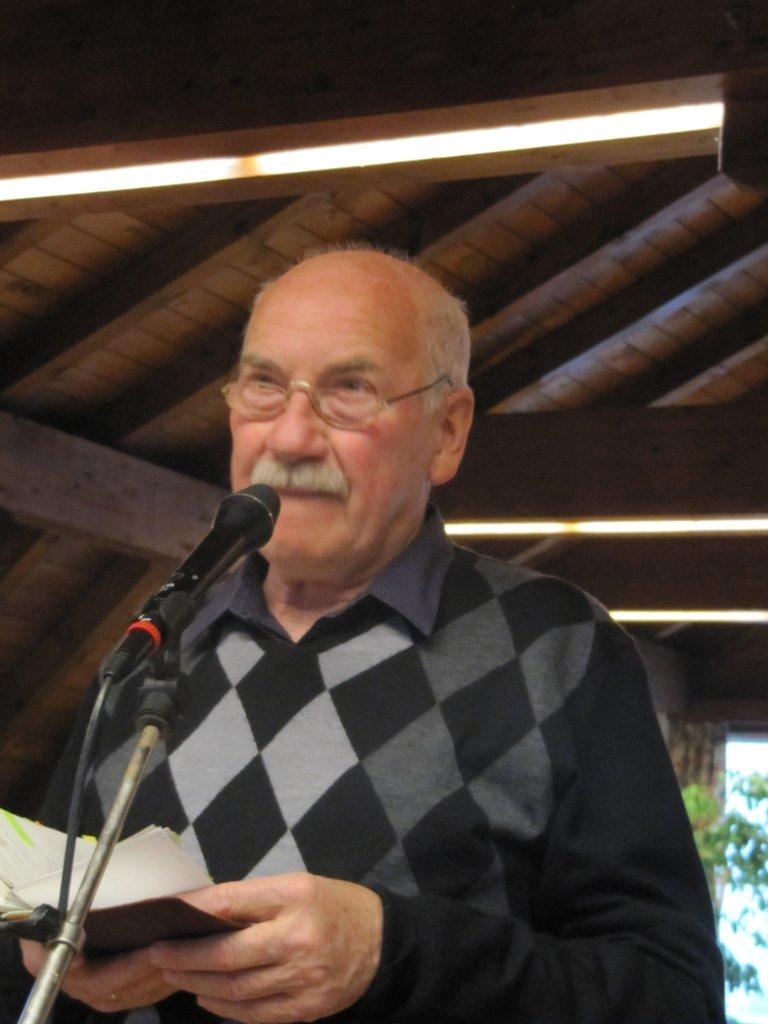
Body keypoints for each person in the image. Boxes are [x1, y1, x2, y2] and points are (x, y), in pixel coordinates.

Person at [5, 246, 724, 1024]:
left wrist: (393, 952)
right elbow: (30, 954)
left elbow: (673, 997)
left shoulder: (559, 649)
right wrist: (45, 960)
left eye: (349, 391)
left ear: (447, 432)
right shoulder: (155, 647)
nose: (290, 438)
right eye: (264, 385)